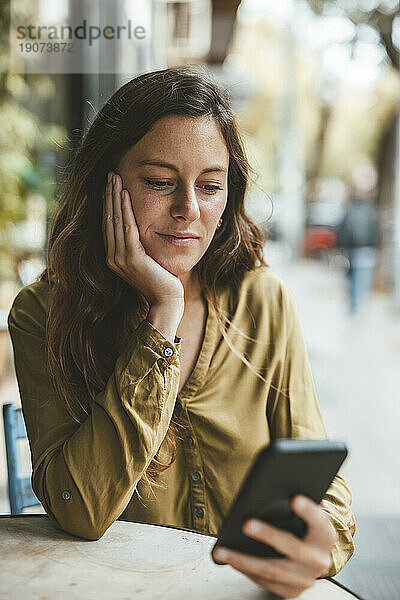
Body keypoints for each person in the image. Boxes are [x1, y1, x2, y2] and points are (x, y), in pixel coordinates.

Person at [8, 65, 355, 599]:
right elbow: (82, 510)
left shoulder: (262, 300)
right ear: (107, 182)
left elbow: (321, 482)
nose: (188, 210)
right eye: (160, 183)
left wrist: (322, 542)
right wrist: (163, 309)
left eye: (211, 186)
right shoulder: (42, 313)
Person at [337, 194, 379, 314]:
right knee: (365, 279)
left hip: (354, 249)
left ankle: (354, 305)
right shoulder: (371, 212)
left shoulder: (350, 211)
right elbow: (377, 230)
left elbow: (343, 231)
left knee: (354, 279)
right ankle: (362, 304)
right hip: (368, 248)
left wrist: (342, 247)